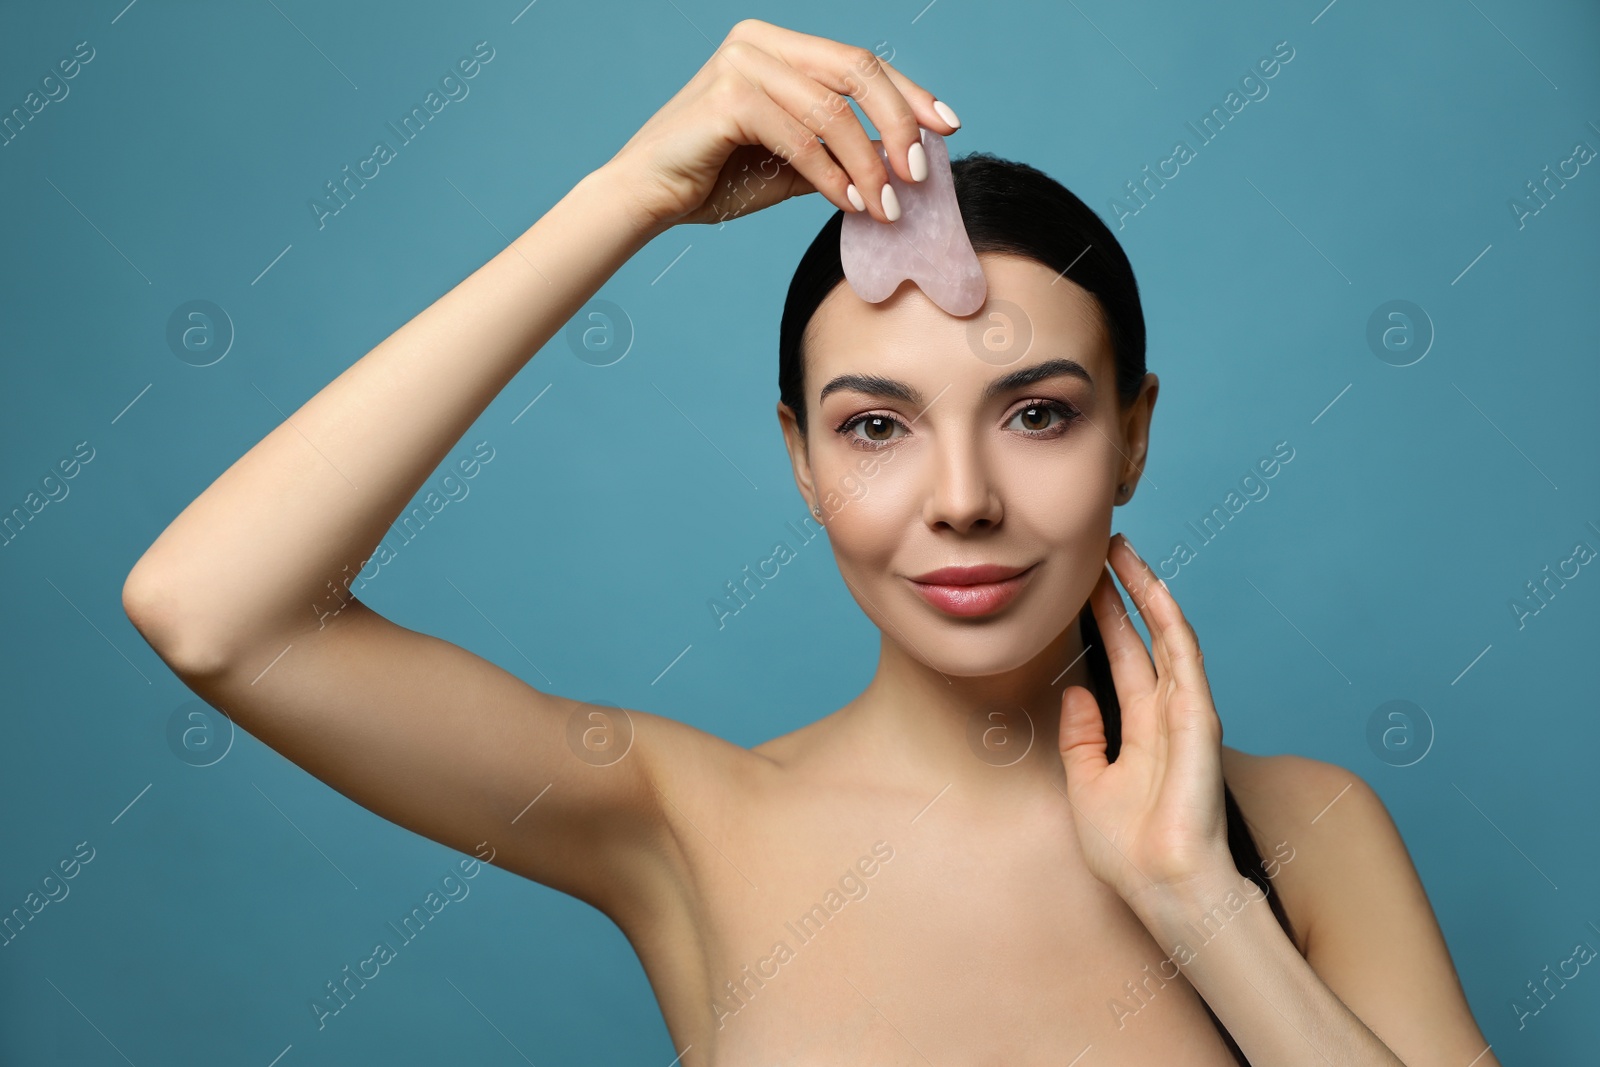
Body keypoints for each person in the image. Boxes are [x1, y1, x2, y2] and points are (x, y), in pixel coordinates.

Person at [122, 18, 1497, 1066]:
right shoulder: (680, 821)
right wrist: (630, 193)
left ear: (1133, 436)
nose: (961, 497)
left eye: (1036, 412)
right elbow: (213, 610)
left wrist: (1202, 905)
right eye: (876, 428)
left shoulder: (1306, 833)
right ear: (800, 459)